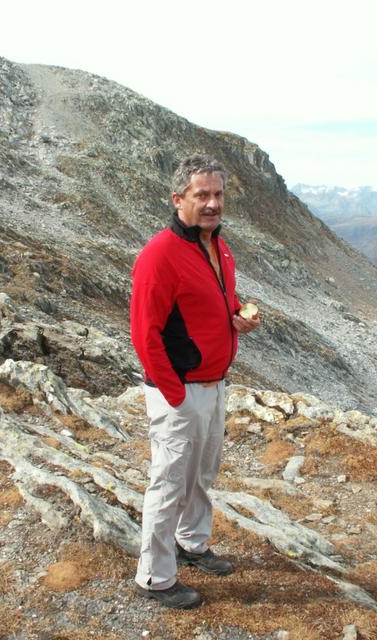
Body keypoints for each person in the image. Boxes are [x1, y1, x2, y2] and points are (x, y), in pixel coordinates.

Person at [130, 154, 259, 609]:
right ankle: (155, 577)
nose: (212, 203)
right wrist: (175, 395)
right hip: (181, 390)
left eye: (218, 194)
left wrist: (237, 315)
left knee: (202, 474)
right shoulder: (159, 255)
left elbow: (216, 300)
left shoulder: (218, 246)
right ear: (178, 199)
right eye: (201, 194)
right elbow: (144, 334)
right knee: (169, 483)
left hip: (214, 383)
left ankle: (192, 543)